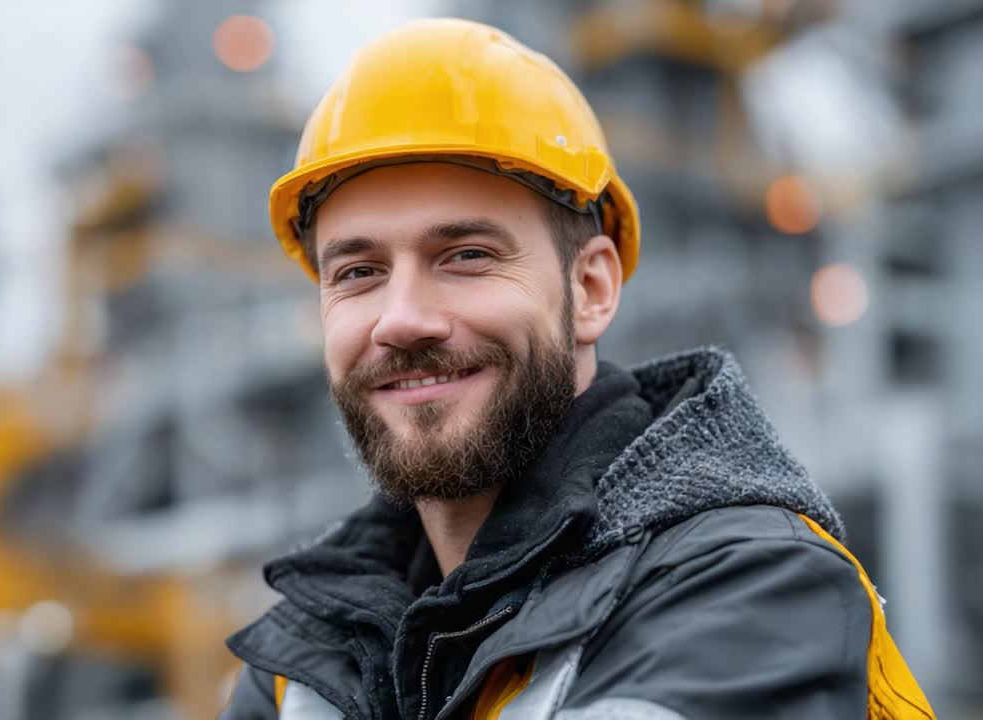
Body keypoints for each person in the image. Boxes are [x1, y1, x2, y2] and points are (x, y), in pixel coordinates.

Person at [220, 18, 934, 720]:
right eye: (359, 271)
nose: (401, 318)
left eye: (467, 255)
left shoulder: (755, 589)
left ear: (591, 289)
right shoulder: (303, 655)